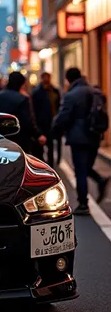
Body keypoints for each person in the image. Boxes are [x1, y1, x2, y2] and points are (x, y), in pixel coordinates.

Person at [53, 67, 109, 215]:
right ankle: (100, 179)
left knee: (81, 171)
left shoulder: (71, 95)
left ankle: (83, 203)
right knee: (86, 167)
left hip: (79, 138)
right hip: (95, 136)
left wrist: (54, 129)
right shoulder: (95, 91)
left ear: (69, 79)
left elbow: (63, 117)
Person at [0, 71, 47, 155]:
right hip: (19, 139)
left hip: (0, 137)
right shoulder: (22, 99)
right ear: (21, 84)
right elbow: (27, 121)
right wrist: (38, 135)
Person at [32, 72, 61, 168]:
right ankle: (42, 166)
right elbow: (34, 109)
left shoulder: (54, 91)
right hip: (40, 123)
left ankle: (51, 166)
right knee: (40, 147)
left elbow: (58, 105)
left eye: (47, 77)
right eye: (44, 77)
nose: (46, 79)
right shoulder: (36, 92)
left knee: (51, 146)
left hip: (52, 123)